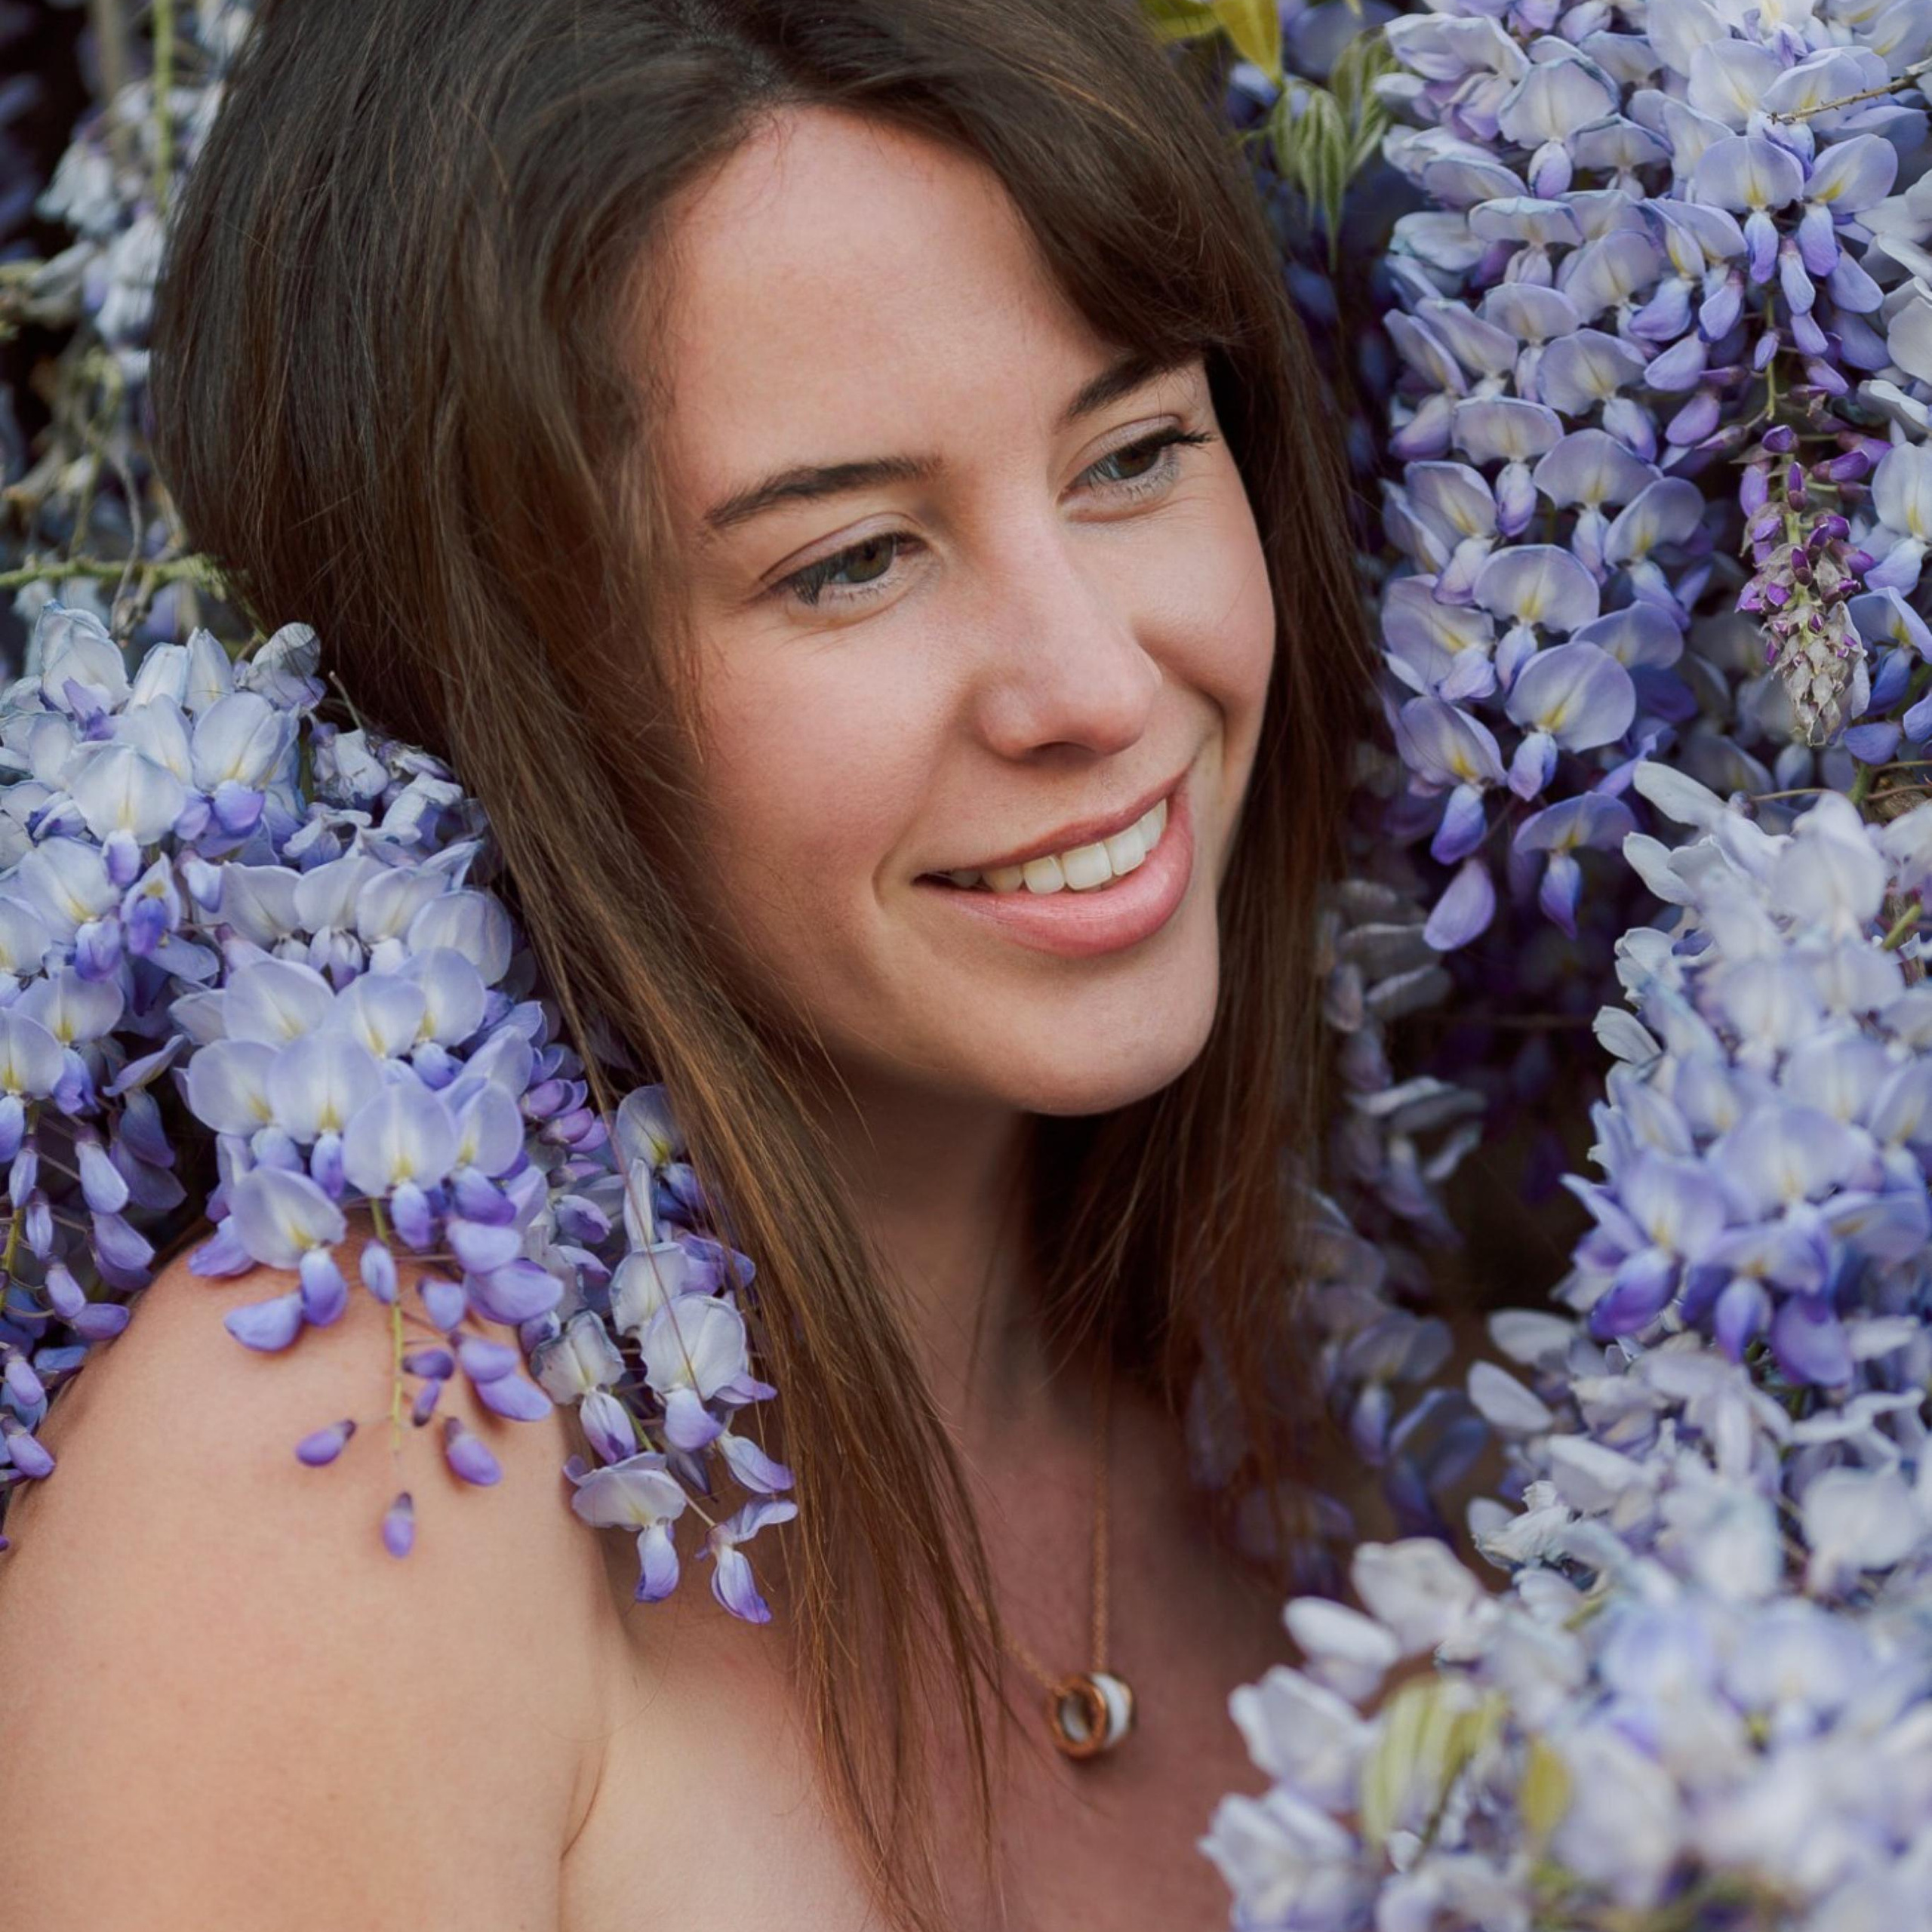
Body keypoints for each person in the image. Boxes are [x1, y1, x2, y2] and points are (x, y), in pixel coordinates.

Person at [0, 1, 1373, 1926]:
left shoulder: (1351, 1390)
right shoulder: (351, 1463)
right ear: (490, 680)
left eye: (1132, 452)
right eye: (851, 562)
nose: (1092, 684)